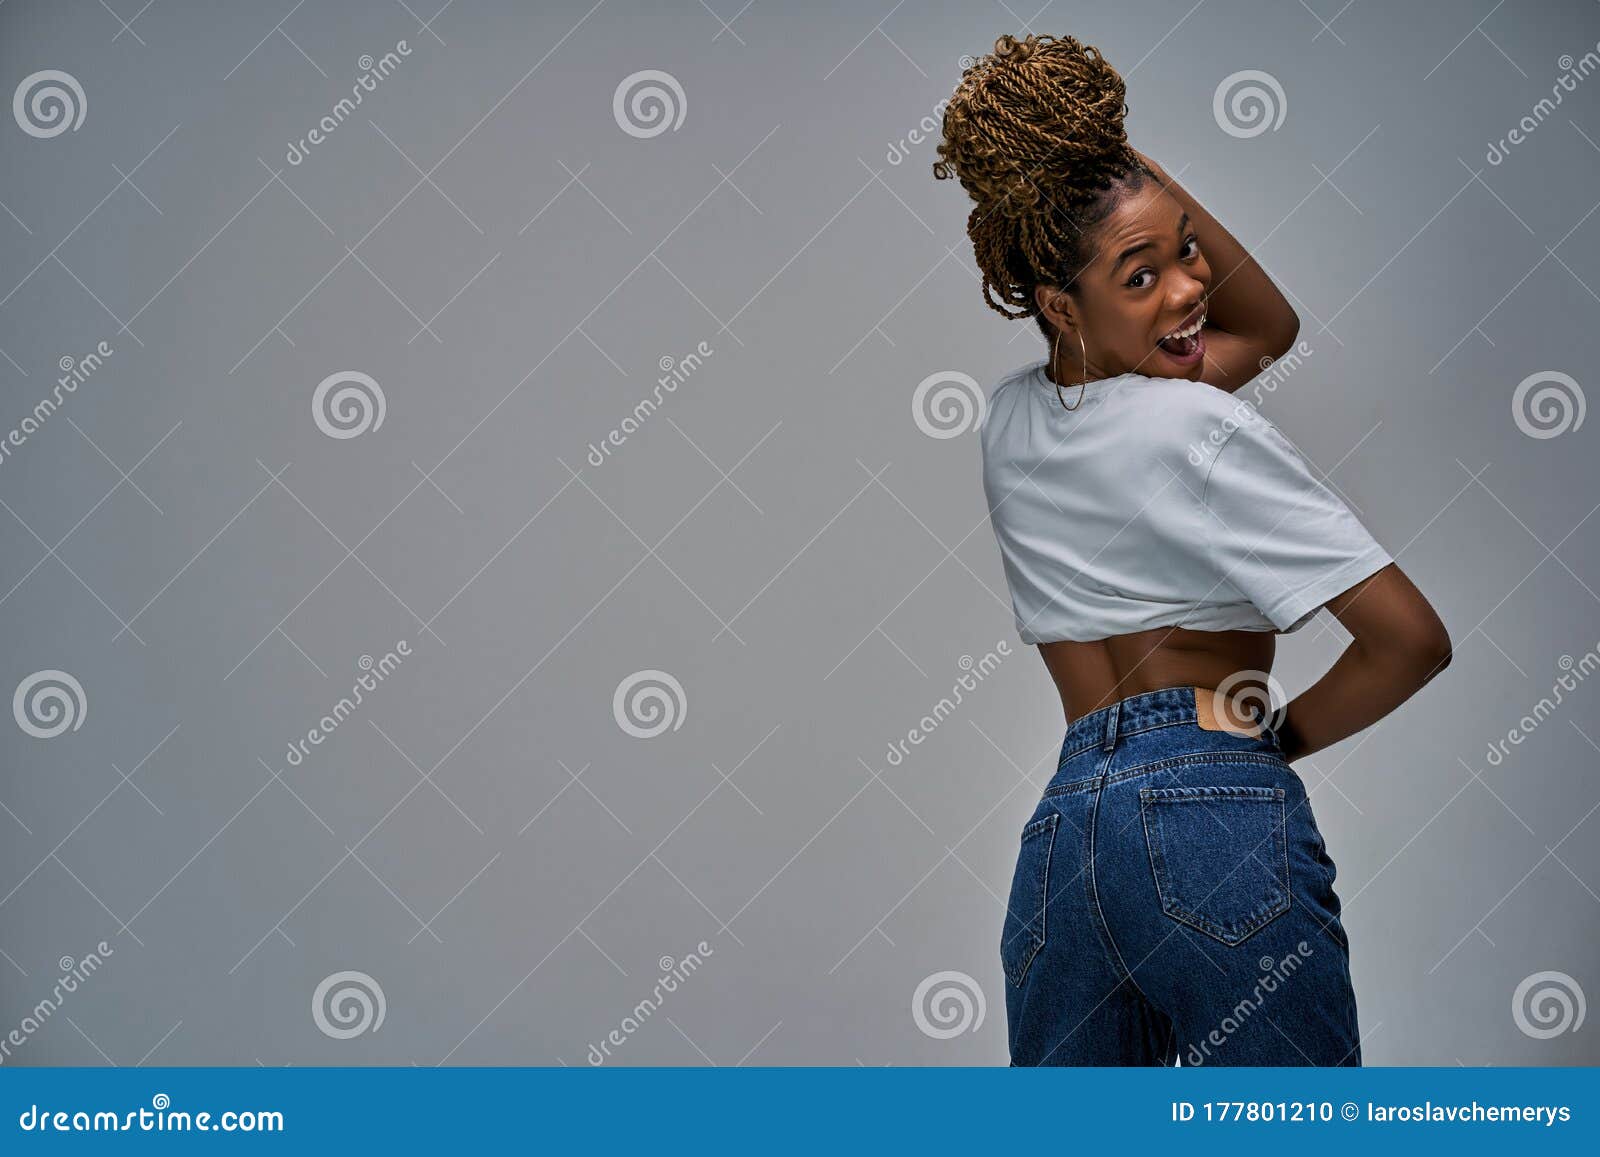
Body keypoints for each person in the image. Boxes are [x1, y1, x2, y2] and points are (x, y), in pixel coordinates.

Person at [932, 33, 1452, 1066]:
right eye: (1141, 275)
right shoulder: (1194, 428)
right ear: (1058, 304)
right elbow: (1410, 640)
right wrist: (1267, 741)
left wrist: (1087, 166)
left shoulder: (1007, 425)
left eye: (1184, 248)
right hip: (1211, 808)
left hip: (1060, 850)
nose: (1187, 289)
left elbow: (1257, 326)